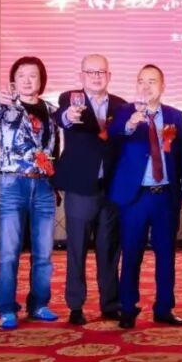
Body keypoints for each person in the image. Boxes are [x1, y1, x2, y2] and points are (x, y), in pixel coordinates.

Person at [108, 65, 182, 329]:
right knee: (131, 253)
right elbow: (112, 136)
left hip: (165, 196)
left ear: (163, 86)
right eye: (141, 81)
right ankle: (127, 308)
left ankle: (164, 308)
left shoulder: (175, 115)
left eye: (152, 81)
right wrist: (130, 124)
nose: (146, 87)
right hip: (135, 197)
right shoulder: (124, 112)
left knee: (166, 255)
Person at [0, 56, 59, 330]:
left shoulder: (51, 110)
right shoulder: (4, 106)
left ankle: (39, 304)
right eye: (22, 75)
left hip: (44, 185)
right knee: (9, 252)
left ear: (41, 80)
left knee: (44, 253)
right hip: (13, 184)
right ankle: (5, 308)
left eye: (33, 75)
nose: (27, 80)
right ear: (13, 80)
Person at [53, 54, 126, 325]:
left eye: (101, 72)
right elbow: (63, 118)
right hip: (81, 187)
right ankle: (75, 305)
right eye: (91, 72)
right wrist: (69, 116)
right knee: (77, 247)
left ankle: (110, 303)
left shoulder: (121, 105)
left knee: (110, 248)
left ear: (109, 76)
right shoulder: (71, 99)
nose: (96, 77)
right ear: (81, 76)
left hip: (112, 188)